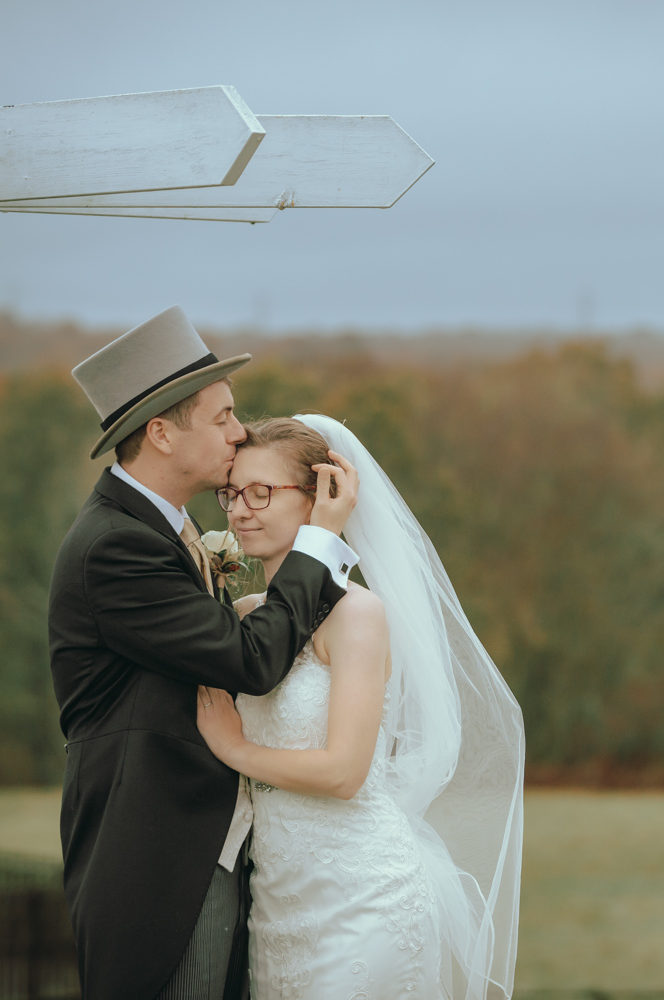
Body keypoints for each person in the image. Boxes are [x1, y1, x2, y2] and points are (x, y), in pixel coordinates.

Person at [48, 306, 361, 1000]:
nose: (240, 430)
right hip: (160, 858)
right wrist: (321, 542)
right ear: (160, 432)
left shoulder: (164, 531)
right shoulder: (118, 548)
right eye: (221, 416)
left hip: (208, 851)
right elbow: (250, 661)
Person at [195, 415, 525, 1000]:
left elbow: (344, 772)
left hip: (361, 900)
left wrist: (234, 748)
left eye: (262, 492)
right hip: (276, 904)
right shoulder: (243, 619)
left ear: (323, 495)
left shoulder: (356, 614)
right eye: (232, 492)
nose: (240, 510)